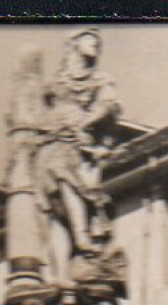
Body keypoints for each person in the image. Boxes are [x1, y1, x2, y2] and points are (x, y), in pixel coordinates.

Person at [34, 29, 121, 278]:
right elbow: (37, 111)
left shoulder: (100, 79)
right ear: (73, 44)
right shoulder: (54, 82)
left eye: (97, 42)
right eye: (88, 39)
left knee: (68, 181)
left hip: (77, 144)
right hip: (49, 142)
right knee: (54, 211)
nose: (94, 44)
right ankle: (60, 275)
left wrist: (84, 124)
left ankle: (83, 241)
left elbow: (108, 106)